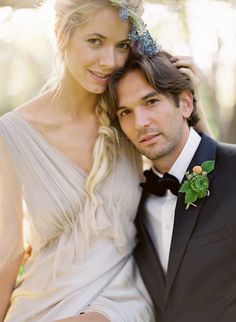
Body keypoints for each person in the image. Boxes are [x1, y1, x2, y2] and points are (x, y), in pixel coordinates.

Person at [0, 1, 208, 321]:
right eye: (95, 41)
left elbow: (206, 185)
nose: (110, 61)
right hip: (42, 302)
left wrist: (194, 112)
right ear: (62, 36)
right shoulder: (11, 135)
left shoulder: (129, 115)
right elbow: (8, 254)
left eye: (122, 45)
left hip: (121, 298)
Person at [107, 50, 236, 322]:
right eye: (126, 112)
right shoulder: (132, 205)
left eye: (151, 101)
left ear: (186, 104)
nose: (140, 123)